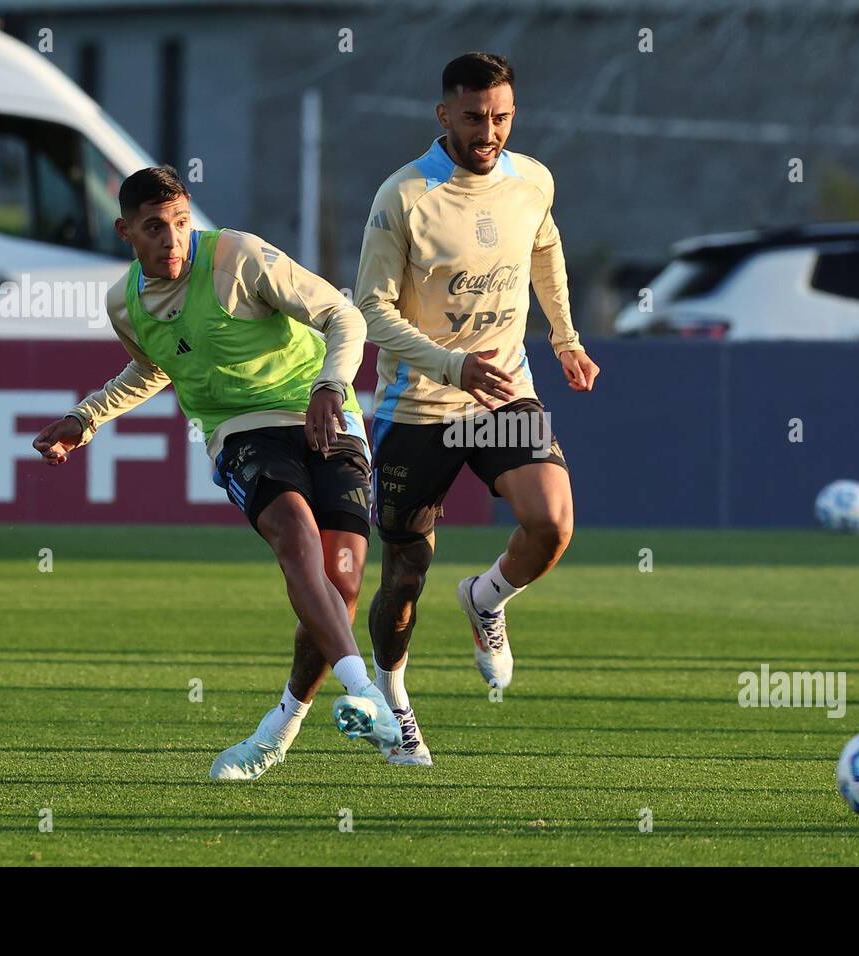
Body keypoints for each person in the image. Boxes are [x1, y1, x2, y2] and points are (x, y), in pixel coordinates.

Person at [30, 166, 400, 781]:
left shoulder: (238, 257)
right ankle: (365, 691)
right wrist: (86, 417)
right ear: (126, 232)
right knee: (293, 532)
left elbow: (345, 316)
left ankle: (276, 732)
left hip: (322, 405)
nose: (173, 240)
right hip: (239, 429)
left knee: (342, 578)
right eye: (155, 228)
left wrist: (330, 386)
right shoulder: (124, 303)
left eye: (179, 222)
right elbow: (157, 368)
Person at [351, 52, 602, 765]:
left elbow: (545, 250)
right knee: (404, 573)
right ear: (444, 116)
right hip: (418, 404)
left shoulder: (533, 181)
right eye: (473, 118)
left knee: (551, 523)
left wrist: (566, 339)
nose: (488, 131)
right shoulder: (402, 196)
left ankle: (487, 599)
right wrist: (451, 362)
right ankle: (393, 699)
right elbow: (370, 309)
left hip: (505, 389)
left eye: (501, 117)